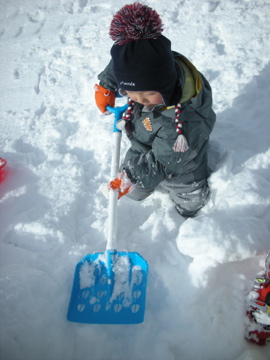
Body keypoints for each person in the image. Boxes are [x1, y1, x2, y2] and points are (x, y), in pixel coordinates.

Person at [94, 2, 216, 218]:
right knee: (135, 188)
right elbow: (124, 65)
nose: (140, 100)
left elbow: (164, 160)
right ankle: (139, 180)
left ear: (166, 83)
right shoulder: (151, 64)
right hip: (146, 134)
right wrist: (107, 85)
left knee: (188, 196)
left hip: (181, 158)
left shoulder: (183, 122)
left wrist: (132, 176)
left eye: (148, 94)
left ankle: (192, 210)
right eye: (131, 94)